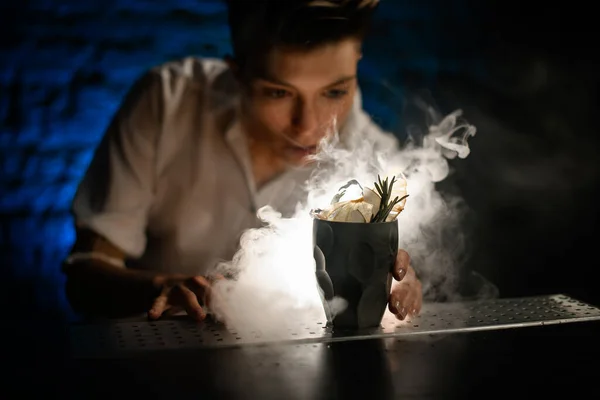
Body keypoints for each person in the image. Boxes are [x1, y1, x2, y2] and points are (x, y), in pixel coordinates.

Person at [62, 0, 422, 322]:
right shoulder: (167, 105)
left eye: (335, 91)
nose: (310, 126)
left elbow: (409, 281)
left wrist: (399, 288)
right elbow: (84, 279)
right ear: (238, 74)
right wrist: (161, 287)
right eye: (278, 92)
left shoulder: (374, 159)